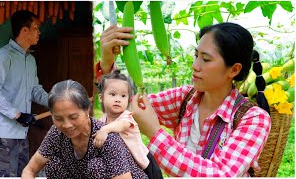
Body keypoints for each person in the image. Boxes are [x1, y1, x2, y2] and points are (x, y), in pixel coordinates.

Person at [98, 23, 271, 177]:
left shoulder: (254, 119)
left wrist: (154, 133)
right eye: (196, 55)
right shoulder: (184, 98)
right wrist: (107, 65)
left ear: (234, 70)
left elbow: (221, 174)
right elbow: (124, 107)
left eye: (206, 59)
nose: (195, 65)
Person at [21, 79, 148, 179]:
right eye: (58, 118)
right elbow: (30, 170)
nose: (66, 125)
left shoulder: (107, 137)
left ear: (87, 110)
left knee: (96, 167)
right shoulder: (56, 133)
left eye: (73, 117)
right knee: (54, 165)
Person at [0, 10, 49, 177]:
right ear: (24, 30)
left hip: (21, 135)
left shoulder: (30, 60)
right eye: (36, 28)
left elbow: (35, 90)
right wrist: (17, 115)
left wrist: (55, 101)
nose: (39, 32)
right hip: (1, 135)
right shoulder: (3, 57)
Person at [93, 70, 163, 179]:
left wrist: (105, 130)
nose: (118, 99)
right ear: (101, 97)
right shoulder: (102, 120)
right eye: (112, 94)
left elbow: (121, 126)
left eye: (123, 96)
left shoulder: (127, 117)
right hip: (126, 164)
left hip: (144, 161)